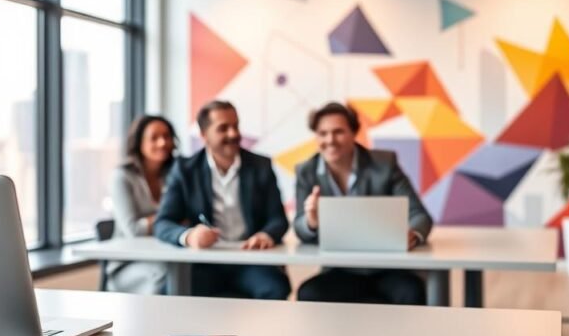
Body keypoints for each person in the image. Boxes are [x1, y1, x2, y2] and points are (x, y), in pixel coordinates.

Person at [294, 102, 433, 305]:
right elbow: (300, 226)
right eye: (322, 133)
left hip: (388, 268)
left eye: (338, 132)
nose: (330, 140)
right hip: (339, 270)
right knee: (310, 294)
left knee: (411, 291)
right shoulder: (306, 171)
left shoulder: (385, 164)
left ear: (354, 132)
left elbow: (420, 215)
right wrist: (311, 221)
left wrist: (412, 234)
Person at [154, 100, 291, 300]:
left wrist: (266, 235)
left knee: (274, 288)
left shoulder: (261, 165)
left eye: (235, 126)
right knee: (173, 291)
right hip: (205, 263)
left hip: (250, 261)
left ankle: (256, 333)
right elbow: (163, 223)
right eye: (223, 128)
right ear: (204, 136)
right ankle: (206, 333)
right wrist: (189, 236)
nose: (233, 134)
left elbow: (278, 219)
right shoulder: (185, 170)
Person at [106, 115, 177, 294]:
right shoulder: (122, 177)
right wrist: (167, 220)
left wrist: (154, 222)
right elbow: (133, 230)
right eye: (154, 137)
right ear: (139, 142)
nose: (162, 142)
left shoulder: (174, 174)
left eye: (167, 136)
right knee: (166, 275)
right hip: (129, 264)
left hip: (168, 256)